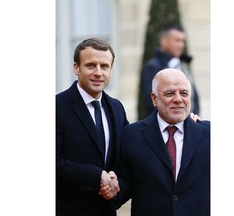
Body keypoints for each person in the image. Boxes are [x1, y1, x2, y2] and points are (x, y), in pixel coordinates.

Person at [101, 68, 210, 216]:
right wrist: (115, 187)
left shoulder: (208, 133)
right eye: (170, 93)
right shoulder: (131, 135)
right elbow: (127, 183)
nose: (178, 99)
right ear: (154, 98)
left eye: (184, 93)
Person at [56, 38, 128, 216]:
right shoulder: (56, 107)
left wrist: (116, 188)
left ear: (111, 70)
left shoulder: (117, 108)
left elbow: (127, 159)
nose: (98, 72)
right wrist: (96, 176)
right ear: (76, 68)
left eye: (104, 66)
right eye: (90, 65)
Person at [137, 25, 200, 120]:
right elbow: (151, 101)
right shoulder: (152, 67)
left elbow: (194, 96)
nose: (181, 45)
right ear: (163, 41)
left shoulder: (184, 65)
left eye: (183, 41)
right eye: (177, 40)